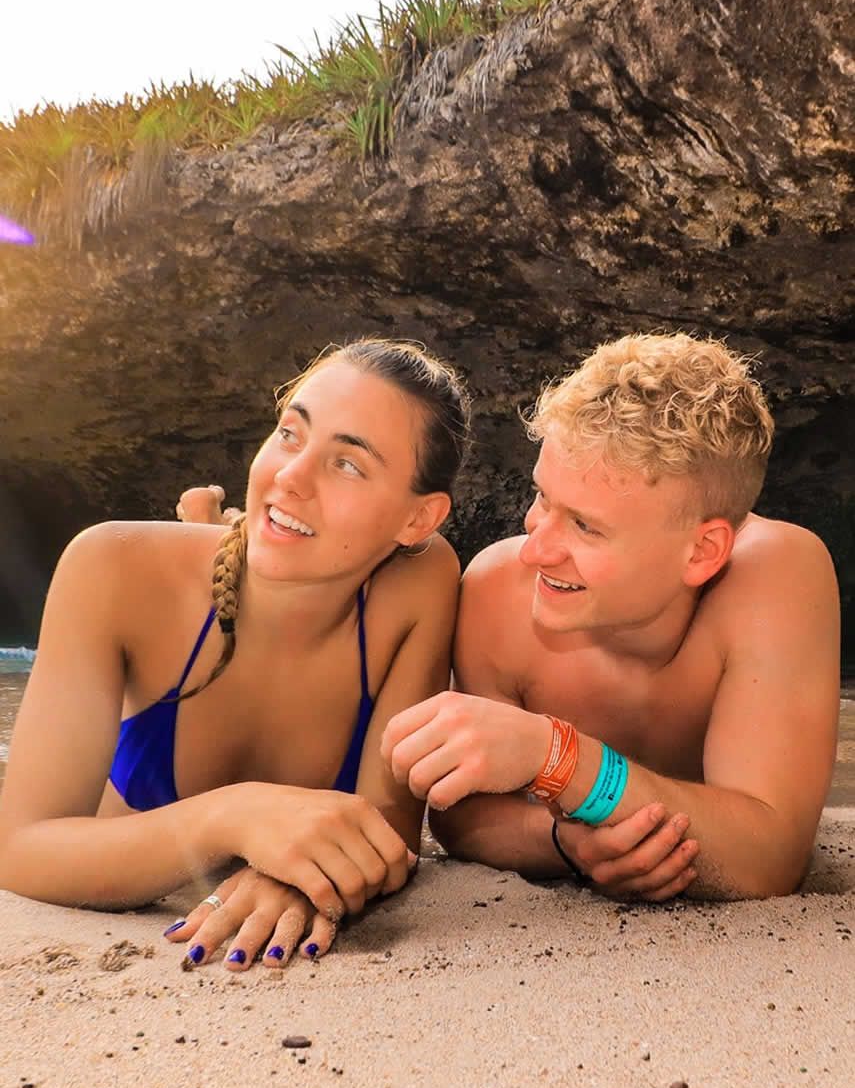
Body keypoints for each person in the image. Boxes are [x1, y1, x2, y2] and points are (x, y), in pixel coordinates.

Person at [0, 340, 468, 967]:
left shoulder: (421, 583)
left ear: (418, 519)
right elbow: (20, 848)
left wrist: (300, 874)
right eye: (290, 434)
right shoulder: (109, 567)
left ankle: (208, 521)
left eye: (347, 464)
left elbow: (386, 833)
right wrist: (234, 816)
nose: (290, 476)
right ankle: (207, 525)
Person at [381, 333, 841, 902]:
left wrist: (557, 757)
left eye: (585, 526)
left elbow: (768, 858)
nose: (535, 550)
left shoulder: (776, 576)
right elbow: (461, 815)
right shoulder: (497, 591)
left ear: (701, 552)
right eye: (542, 498)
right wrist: (564, 843)